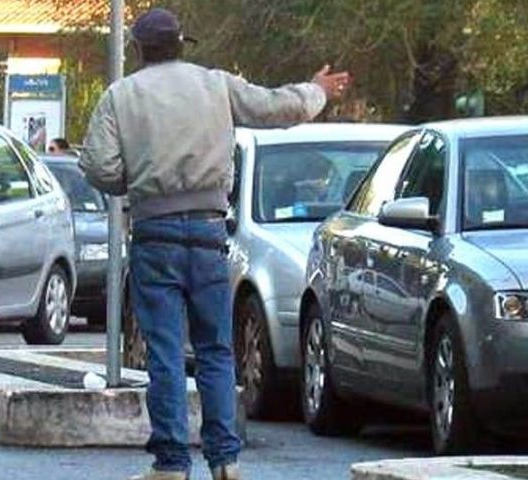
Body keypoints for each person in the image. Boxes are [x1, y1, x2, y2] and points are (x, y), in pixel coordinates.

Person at [80, 8, 350, 480]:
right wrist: (317, 92)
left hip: (153, 233)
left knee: (163, 350)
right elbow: (274, 108)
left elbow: (98, 167)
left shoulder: (120, 97)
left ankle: (170, 464)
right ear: (183, 44)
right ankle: (225, 460)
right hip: (208, 232)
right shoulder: (217, 84)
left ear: (140, 49)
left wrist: (134, 182)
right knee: (216, 349)